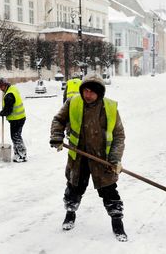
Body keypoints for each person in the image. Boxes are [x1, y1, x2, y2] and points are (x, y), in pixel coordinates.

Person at [49, 74, 127, 242]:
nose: (88, 94)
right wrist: (56, 136)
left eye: (92, 92)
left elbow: (119, 135)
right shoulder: (73, 103)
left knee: (109, 190)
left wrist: (114, 158)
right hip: (79, 157)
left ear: (99, 93)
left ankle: (117, 221)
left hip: (103, 160)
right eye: (86, 90)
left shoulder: (110, 108)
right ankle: (70, 213)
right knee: (74, 187)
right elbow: (58, 120)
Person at [0, 78, 27, 163]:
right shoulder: (12, 89)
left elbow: (8, 111)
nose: (0, 89)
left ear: (5, 85)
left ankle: (22, 155)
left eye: (1, 87)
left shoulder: (9, 95)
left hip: (16, 119)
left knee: (16, 137)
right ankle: (19, 154)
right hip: (20, 117)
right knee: (16, 136)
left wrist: (2, 113)